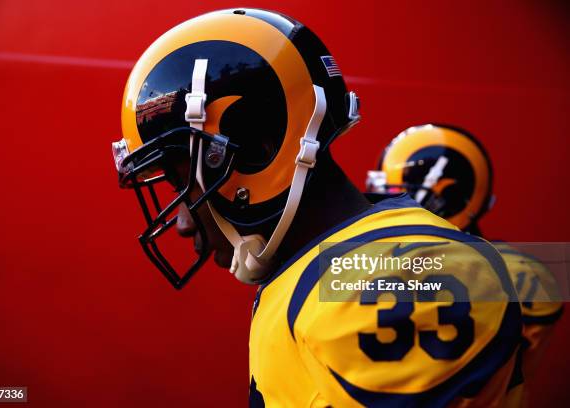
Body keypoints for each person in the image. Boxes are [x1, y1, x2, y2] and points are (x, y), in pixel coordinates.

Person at [112, 9, 522, 406]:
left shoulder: (382, 279)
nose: (182, 222)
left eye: (180, 183)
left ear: (259, 153)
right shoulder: (321, 266)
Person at [367, 123, 563, 405]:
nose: (383, 203)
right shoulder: (519, 273)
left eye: (396, 192)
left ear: (444, 197)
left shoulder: (515, 275)